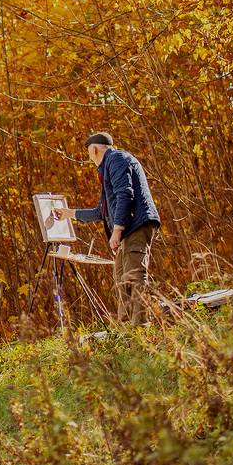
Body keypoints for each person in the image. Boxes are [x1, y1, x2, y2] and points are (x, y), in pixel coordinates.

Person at [69, 131, 161, 325]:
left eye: (88, 153)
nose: (89, 158)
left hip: (135, 225)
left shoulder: (116, 159)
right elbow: (101, 210)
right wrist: (69, 213)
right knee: (121, 276)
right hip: (128, 228)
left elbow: (125, 194)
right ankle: (127, 327)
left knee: (134, 275)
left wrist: (117, 230)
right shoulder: (109, 167)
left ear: (94, 149)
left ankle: (141, 327)